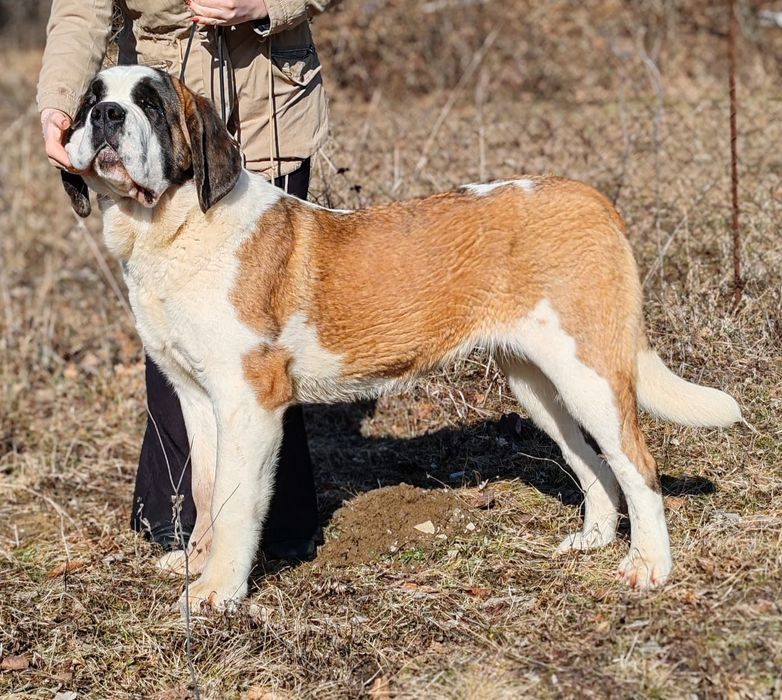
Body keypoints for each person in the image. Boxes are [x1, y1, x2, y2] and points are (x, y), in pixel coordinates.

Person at [38, 0, 334, 559]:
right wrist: (58, 103)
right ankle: (186, 527)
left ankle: (275, 533)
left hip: (268, 112)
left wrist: (268, 4)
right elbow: (80, 12)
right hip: (154, 120)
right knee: (176, 348)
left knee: (260, 347)